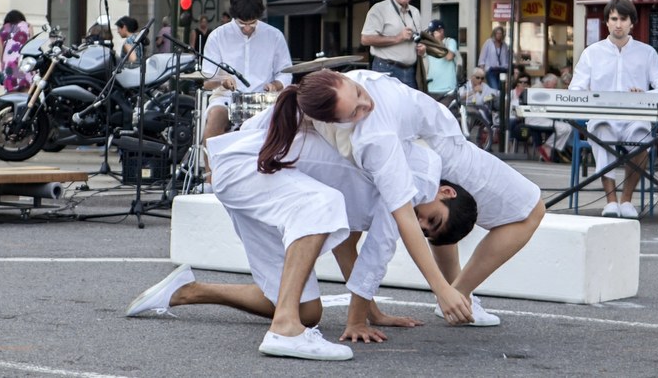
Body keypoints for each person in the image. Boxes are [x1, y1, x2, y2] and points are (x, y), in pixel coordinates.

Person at [125, 127, 477, 359]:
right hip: (249, 165)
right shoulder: (420, 176)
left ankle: (186, 291)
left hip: (261, 181)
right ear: (446, 192)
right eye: (432, 219)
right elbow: (379, 248)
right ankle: (284, 330)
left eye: (426, 230)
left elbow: (346, 246)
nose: (420, 224)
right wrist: (356, 321)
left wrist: (371, 314)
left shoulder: (406, 195)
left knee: (307, 312)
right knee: (324, 204)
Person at [259, 69, 546, 327]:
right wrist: (443, 291)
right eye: (355, 112)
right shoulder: (377, 139)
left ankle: (457, 295)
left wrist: (370, 316)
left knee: (432, 217)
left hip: (424, 147)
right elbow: (398, 226)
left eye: (358, 94)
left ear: (339, 75)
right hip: (440, 148)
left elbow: (352, 244)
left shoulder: (316, 100)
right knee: (533, 208)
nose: (366, 105)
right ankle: (458, 294)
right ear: (336, 120)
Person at [569, 0, 658, 219]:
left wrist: (644, 96)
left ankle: (626, 200)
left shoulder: (647, 53)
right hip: (602, 117)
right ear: (606, 22)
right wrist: (592, 97)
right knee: (602, 130)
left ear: (631, 23)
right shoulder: (591, 53)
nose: (618, 24)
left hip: (634, 118)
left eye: (623, 19)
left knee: (642, 134)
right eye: (614, 19)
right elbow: (575, 89)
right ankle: (611, 202)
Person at [200, 0, 292, 179]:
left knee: (286, 119)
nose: (248, 28)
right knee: (215, 117)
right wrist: (222, 81)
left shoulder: (274, 35)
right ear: (234, 17)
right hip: (227, 97)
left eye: (252, 23)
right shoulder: (218, 36)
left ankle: (272, 174)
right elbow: (207, 80)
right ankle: (211, 178)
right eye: (242, 24)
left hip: (263, 99)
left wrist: (275, 85)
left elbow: (285, 73)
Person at [361, 0, 427, 89]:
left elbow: (417, 38)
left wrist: (421, 49)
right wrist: (398, 38)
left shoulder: (415, 12)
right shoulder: (379, 9)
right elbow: (365, 39)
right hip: (386, 69)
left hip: (411, 71)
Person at [524, 73, 573, 163]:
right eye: (554, 85)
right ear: (547, 83)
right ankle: (547, 147)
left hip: (540, 118)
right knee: (566, 128)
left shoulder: (541, 88)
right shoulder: (539, 89)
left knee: (567, 127)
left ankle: (549, 148)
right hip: (535, 119)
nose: (554, 87)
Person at [0, 10, 33, 92]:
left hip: (9, 68)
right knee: (26, 95)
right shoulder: (28, 26)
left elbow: (1, 55)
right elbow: (31, 46)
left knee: (12, 96)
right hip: (24, 65)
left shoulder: (1, 31)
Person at [425, 19, 461, 99]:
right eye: (430, 33)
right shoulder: (428, 44)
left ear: (441, 31)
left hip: (448, 88)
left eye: (433, 32)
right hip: (431, 87)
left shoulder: (450, 42)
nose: (431, 35)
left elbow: (449, 57)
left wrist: (438, 42)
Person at [478, 26, 509, 90]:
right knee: (494, 88)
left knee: (501, 89)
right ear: (494, 34)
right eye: (497, 33)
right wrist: (482, 71)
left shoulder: (504, 45)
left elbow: (506, 59)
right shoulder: (488, 43)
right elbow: (482, 57)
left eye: (500, 33)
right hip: (491, 70)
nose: (499, 35)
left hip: (502, 70)